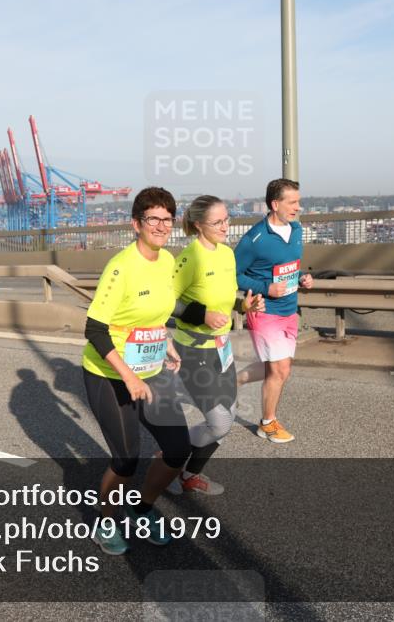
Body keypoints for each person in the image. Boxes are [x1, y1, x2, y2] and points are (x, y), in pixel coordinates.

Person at [81, 187, 190, 555]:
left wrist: (167, 343)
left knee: (177, 448)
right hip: (110, 373)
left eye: (167, 219)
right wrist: (128, 375)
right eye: (152, 219)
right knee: (126, 459)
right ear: (136, 224)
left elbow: (156, 314)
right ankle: (105, 519)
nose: (161, 226)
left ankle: (142, 508)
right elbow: (94, 328)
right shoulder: (121, 267)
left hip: (151, 366)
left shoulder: (166, 261)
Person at [161, 195, 263, 495]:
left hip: (222, 348)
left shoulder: (226, 254)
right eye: (217, 222)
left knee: (227, 417)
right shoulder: (189, 257)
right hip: (192, 350)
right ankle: (172, 458)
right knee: (218, 421)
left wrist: (243, 306)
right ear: (198, 225)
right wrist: (201, 314)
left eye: (227, 219)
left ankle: (189, 474)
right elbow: (166, 303)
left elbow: (225, 299)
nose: (225, 226)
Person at [234, 178, 313, 443]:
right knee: (278, 370)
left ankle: (235, 380)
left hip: (290, 310)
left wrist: (302, 277)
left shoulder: (297, 230)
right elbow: (234, 276)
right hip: (264, 310)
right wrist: (266, 287)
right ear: (274, 204)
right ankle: (267, 423)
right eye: (292, 202)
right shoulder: (254, 239)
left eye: (298, 202)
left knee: (282, 368)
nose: (298, 207)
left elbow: (289, 265)